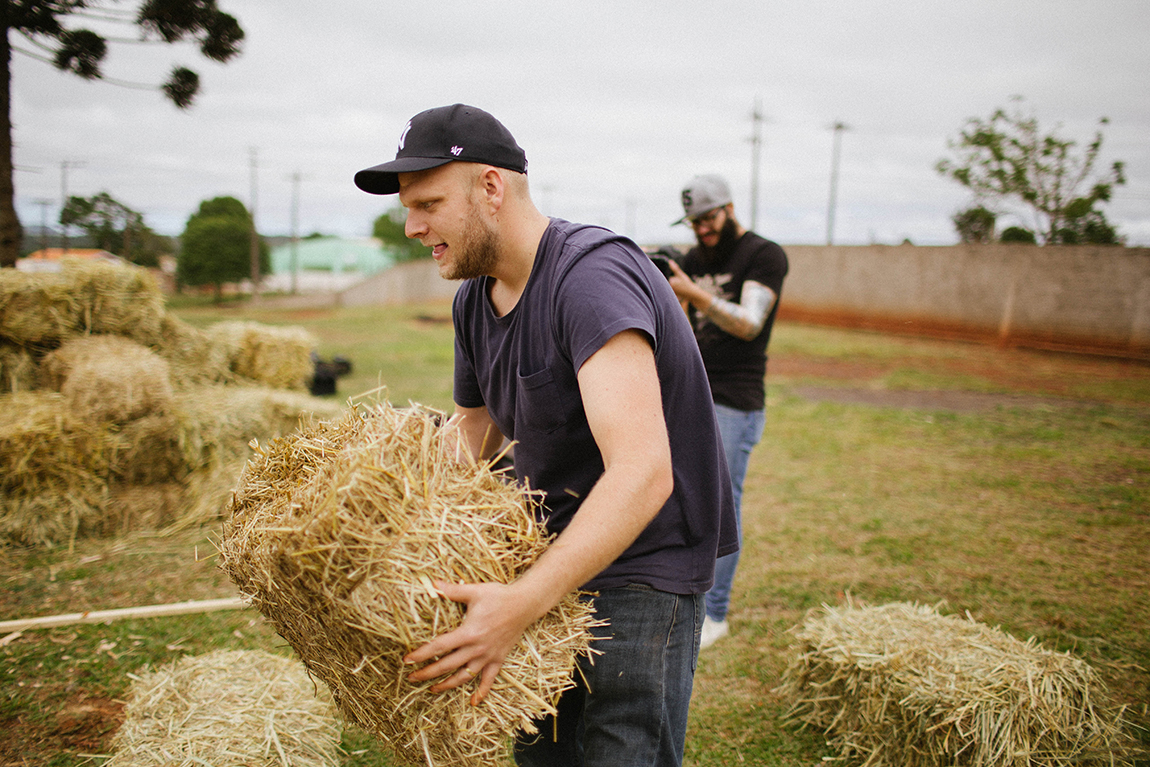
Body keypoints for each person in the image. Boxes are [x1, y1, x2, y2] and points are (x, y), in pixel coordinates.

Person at [353, 104, 736, 767]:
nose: (412, 226)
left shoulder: (588, 277)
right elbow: (471, 435)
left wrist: (520, 604)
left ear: (492, 188)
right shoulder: (473, 299)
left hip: (645, 562)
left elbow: (644, 470)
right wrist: (401, 538)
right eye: (408, 208)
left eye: (429, 203)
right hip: (546, 554)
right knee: (544, 756)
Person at [664, 174, 788, 650]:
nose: (703, 230)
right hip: (690, 390)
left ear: (730, 209)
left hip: (735, 397)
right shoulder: (692, 259)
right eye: (695, 222)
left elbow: (749, 324)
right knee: (678, 496)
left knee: (720, 506)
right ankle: (686, 597)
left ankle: (715, 614)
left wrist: (692, 292)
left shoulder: (763, 254)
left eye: (709, 219)